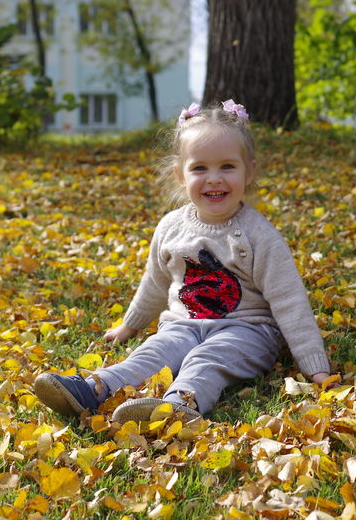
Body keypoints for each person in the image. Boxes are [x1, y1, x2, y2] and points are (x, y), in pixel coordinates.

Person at [34, 99, 333, 423]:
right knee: (154, 351)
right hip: (183, 326)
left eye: (227, 167)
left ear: (249, 172)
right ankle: (93, 389)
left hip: (247, 332)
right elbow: (155, 282)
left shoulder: (259, 236)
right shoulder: (171, 228)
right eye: (200, 168)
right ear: (180, 174)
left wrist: (315, 366)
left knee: (207, 360)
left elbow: (290, 301)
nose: (214, 179)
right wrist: (130, 325)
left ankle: (178, 406)